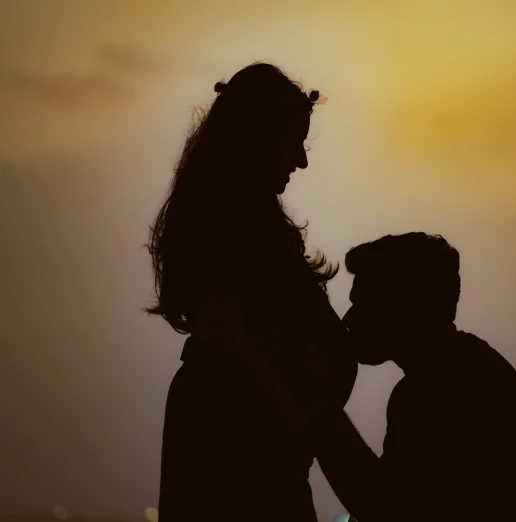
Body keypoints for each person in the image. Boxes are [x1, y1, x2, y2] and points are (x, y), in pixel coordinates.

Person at [145, 62, 357, 522]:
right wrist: (292, 422)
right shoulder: (225, 221)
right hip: (237, 449)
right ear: (256, 138)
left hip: (256, 443)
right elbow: (220, 327)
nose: (300, 160)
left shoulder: (249, 220)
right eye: (292, 141)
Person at [230, 232, 516, 521]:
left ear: (411, 304)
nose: (349, 318)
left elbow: (384, 508)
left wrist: (320, 404)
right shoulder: (467, 370)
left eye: (363, 302)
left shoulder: (441, 387)